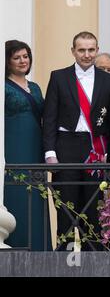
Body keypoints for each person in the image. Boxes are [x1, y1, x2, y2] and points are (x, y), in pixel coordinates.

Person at [42, 31, 110, 248]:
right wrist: (50, 153)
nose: (86, 54)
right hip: (66, 148)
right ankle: (65, 264)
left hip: (96, 149)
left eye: (91, 50)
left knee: (94, 211)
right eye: (82, 50)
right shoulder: (59, 77)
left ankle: (93, 262)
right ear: (73, 51)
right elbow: (49, 118)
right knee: (66, 210)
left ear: (97, 50)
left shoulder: (109, 81)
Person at [4, 40, 46, 250]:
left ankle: (39, 247)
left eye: (25, 56)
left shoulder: (35, 86)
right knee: (17, 193)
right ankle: (17, 245)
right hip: (13, 147)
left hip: (35, 146)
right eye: (16, 57)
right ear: (7, 61)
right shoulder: (3, 86)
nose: (22, 61)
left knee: (36, 195)